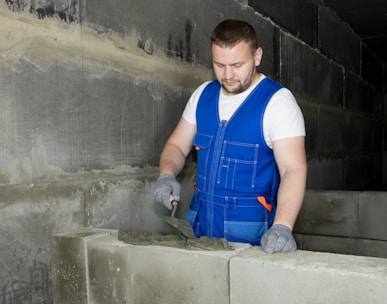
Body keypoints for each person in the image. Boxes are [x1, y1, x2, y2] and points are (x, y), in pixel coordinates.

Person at [153, 19, 307, 254]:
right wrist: (166, 174)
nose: (227, 75)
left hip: (248, 236)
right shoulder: (203, 95)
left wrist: (283, 226)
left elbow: (293, 169)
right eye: (219, 65)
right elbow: (176, 144)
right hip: (199, 228)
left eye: (237, 64)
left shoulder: (277, 103)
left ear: (257, 56)